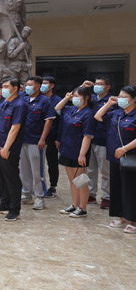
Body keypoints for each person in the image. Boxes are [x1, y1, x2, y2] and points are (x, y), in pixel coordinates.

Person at [94, 87, 136, 234]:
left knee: (130, 189)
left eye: (125, 96)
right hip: (115, 157)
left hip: (130, 158)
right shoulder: (117, 113)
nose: (121, 99)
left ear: (134, 99)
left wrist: (124, 149)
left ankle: (133, 220)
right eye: (120, 96)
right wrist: (109, 103)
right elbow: (98, 116)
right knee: (117, 188)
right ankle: (122, 217)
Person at [0, 78, 27, 222]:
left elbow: (15, 129)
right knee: (2, 177)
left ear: (15, 88)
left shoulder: (19, 105)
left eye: (5, 86)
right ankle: (4, 204)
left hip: (8, 147)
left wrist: (6, 148)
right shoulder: (5, 102)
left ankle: (14, 209)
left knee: (11, 178)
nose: (2, 89)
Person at [54, 86, 96, 218]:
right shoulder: (70, 109)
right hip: (67, 149)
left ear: (86, 98)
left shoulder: (88, 114)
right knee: (72, 180)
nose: (75, 98)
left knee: (80, 181)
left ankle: (82, 208)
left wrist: (82, 154)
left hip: (79, 152)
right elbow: (57, 108)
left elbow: (87, 136)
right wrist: (66, 98)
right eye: (74, 96)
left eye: (77, 96)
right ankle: (74, 204)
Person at [19, 76, 56, 210]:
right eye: (27, 84)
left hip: (36, 140)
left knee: (37, 171)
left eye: (30, 85)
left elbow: (48, 120)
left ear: (38, 86)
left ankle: (40, 197)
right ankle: (26, 193)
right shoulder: (23, 99)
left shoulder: (44, 101)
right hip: (22, 139)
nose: (27, 87)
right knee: (23, 170)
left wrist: (42, 138)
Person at [89, 75, 114, 209]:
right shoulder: (92, 98)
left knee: (105, 171)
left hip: (103, 140)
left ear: (108, 87)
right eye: (95, 84)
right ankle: (91, 194)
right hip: (90, 138)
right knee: (90, 170)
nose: (96, 86)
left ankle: (106, 197)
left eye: (100, 84)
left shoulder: (112, 101)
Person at [41, 76, 62, 198]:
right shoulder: (40, 99)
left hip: (52, 136)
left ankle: (53, 186)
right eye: (42, 83)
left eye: (46, 83)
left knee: (52, 162)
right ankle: (38, 185)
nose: (43, 85)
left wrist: (58, 138)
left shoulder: (58, 100)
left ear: (52, 85)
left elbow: (61, 121)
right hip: (38, 136)